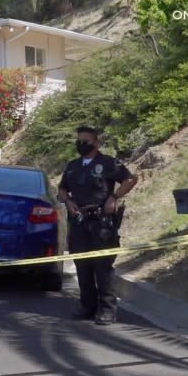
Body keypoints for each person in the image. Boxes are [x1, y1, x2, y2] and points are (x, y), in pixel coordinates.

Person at [58, 126, 138, 326]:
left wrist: (114, 197)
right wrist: (68, 202)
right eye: (79, 140)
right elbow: (62, 189)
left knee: (102, 267)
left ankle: (107, 310)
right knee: (82, 266)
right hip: (79, 222)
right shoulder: (73, 165)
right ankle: (87, 306)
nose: (81, 144)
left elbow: (130, 179)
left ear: (96, 143)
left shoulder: (108, 163)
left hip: (101, 221)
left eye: (86, 141)